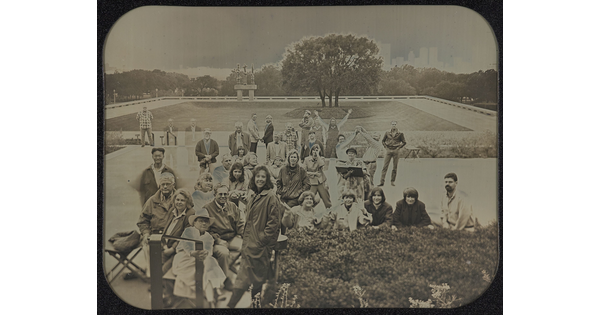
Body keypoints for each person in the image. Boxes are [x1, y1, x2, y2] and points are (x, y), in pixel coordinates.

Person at [227, 165, 281, 308]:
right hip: (249, 243)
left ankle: (231, 306)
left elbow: (274, 223)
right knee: (251, 277)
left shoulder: (271, 197)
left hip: (259, 246)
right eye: (258, 176)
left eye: (263, 177)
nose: (260, 179)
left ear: (267, 179)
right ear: (254, 178)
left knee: (250, 278)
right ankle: (254, 306)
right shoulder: (254, 195)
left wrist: (262, 241)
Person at [171, 207, 226, 304]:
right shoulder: (188, 231)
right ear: (194, 222)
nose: (204, 223)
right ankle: (216, 288)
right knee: (210, 262)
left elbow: (209, 250)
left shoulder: (209, 237)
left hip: (202, 259)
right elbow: (187, 245)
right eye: (201, 221)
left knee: (209, 260)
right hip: (184, 258)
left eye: (206, 221)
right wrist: (193, 253)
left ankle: (210, 299)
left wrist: (205, 253)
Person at [204, 184, 245, 291]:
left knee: (247, 246)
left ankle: (242, 276)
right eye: (220, 194)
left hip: (232, 238)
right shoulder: (207, 209)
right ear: (214, 195)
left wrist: (247, 237)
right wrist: (217, 240)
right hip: (216, 241)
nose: (223, 196)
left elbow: (240, 224)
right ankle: (225, 280)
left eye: (225, 194)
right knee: (224, 253)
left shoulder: (232, 206)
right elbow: (204, 231)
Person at [137, 172, 176, 277]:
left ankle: (169, 279)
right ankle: (153, 278)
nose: (165, 187)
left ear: (173, 184)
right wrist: (146, 233)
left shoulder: (180, 199)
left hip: (174, 236)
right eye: (163, 184)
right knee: (148, 246)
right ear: (159, 185)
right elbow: (143, 220)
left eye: (168, 184)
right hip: (156, 235)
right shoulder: (152, 201)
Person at [304, 144, 332, 209]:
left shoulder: (321, 159)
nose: (315, 152)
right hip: (311, 182)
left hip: (321, 181)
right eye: (313, 150)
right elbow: (304, 172)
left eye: (317, 150)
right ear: (311, 151)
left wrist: (318, 156)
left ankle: (329, 213)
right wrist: (314, 173)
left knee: (326, 199)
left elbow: (323, 167)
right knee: (309, 199)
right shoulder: (307, 159)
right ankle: (308, 211)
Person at [379, 121, 406, 187]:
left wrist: (398, 148)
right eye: (392, 124)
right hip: (388, 150)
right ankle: (382, 182)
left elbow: (404, 142)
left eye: (395, 124)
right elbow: (383, 141)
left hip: (396, 150)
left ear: (397, 125)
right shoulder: (387, 132)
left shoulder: (400, 133)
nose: (394, 125)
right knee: (385, 166)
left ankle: (392, 181)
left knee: (395, 167)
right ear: (390, 125)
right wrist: (386, 148)